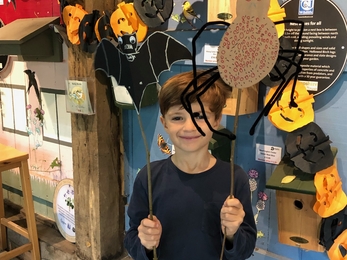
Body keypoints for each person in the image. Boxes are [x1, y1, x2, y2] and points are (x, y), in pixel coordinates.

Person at [124, 70, 257, 260]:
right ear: (165, 123)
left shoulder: (234, 179)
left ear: (217, 120)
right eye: (178, 117)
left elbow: (244, 249)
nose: (189, 127)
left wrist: (232, 234)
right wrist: (144, 243)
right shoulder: (149, 177)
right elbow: (132, 239)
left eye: (200, 116)